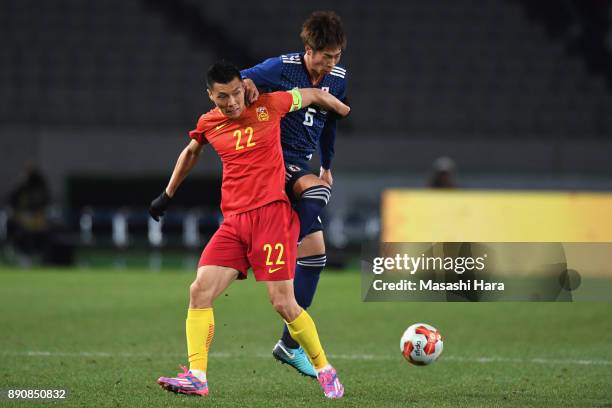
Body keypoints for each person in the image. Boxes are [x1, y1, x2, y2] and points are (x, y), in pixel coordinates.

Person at [149, 61, 349, 398]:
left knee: (283, 303)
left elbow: (312, 93)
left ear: (245, 86)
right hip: (234, 223)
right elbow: (191, 151)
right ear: (210, 96)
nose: (231, 102)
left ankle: (325, 370)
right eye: (222, 96)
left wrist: (341, 107)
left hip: (271, 217)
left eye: (236, 92)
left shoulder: (270, 104)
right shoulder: (209, 122)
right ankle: (197, 376)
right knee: (199, 291)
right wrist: (167, 195)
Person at [240, 11, 348, 378]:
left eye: (336, 57)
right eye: (325, 57)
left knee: (316, 255)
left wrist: (328, 164)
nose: (331, 64)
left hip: (303, 161)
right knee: (314, 195)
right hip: (271, 158)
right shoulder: (281, 67)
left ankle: (288, 344)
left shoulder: (339, 79)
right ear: (308, 50)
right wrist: (248, 86)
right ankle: (283, 237)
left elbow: (330, 124)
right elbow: (237, 81)